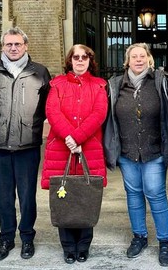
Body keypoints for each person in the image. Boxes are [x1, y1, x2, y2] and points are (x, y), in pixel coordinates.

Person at [0, 27, 51, 262]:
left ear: (25, 46)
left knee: (27, 196)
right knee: (3, 196)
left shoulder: (39, 72)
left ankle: (28, 237)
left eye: (17, 44)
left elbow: (46, 107)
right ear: (3, 46)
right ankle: (6, 238)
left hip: (27, 146)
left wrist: (33, 127)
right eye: (9, 44)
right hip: (0, 147)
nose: (13, 48)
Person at [103, 43, 168, 267]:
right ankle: (139, 236)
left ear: (149, 59)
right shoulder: (115, 84)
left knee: (156, 194)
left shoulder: (161, 81)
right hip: (127, 151)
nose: (139, 60)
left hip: (154, 151)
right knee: (133, 195)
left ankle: (165, 241)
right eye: (134, 57)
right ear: (127, 61)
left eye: (143, 56)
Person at [41, 44, 108, 264]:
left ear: (90, 60)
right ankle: (68, 247)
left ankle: (84, 246)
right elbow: (52, 111)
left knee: (86, 196)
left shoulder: (99, 86)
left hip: (88, 147)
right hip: (62, 147)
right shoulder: (57, 84)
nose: (80, 60)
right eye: (76, 57)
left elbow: (100, 113)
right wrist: (70, 137)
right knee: (65, 197)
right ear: (70, 60)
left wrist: (77, 138)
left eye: (85, 57)